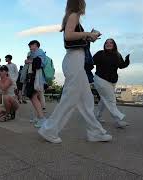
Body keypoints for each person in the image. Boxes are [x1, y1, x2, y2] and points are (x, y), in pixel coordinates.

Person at [38, 0, 112, 144]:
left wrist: (88, 36)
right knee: (70, 98)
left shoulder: (70, 16)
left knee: (87, 99)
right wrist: (88, 34)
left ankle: (95, 132)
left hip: (75, 59)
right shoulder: (74, 15)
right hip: (74, 60)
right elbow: (68, 36)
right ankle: (49, 130)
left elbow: (72, 37)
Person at [93, 39, 130, 128]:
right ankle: (118, 120)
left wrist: (127, 61)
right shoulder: (100, 54)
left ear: (114, 45)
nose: (108, 44)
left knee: (103, 100)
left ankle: (97, 116)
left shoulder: (117, 55)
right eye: (106, 42)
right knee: (111, 100)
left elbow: (121, 66)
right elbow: (91, 62)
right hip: (100, 79)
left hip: (112, 81)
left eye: (111, 42)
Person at [25, 40, 47, 128]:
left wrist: (29, 61)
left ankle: (42, 119)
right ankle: (39, 116)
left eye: (31, 45)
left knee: (33, 97)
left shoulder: (40, 53)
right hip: (34, 77)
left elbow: (39, 64)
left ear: (36, 45)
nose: (30, 47)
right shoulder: (34, 53)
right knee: (33, 97)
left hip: (37, 77)